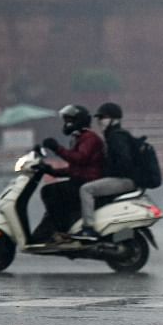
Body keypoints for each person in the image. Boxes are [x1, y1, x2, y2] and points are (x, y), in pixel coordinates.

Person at [30, 104, 105, 245]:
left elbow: (80, 158)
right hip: (81, 179)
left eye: (69, 120)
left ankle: (61, 231)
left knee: (49, 192)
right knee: (52, 194)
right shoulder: (79, 138)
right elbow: (74, 169)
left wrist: (57, 149)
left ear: (79, 120)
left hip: (87, 182)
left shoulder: (89, 138)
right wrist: (51, 170)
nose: (66, 124)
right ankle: (49, 231)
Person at [71, 102, 137, 242]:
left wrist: (109, 172)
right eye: (99, 118)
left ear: (114, 119)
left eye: (103, 117)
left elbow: (124, 162)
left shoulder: (116, 137)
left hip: (124, 180)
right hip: (123, 178)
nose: (100, 121)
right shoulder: (112, 135)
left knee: (86, 190)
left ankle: (88, 229)